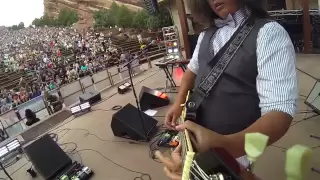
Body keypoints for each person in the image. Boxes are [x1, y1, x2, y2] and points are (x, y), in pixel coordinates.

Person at [157, 0, 298, 179]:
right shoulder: (205, 35)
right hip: (196, 138)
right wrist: (178, 104)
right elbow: (191, 72)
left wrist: (225, 145)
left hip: (236, 151)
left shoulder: (269, 32)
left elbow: (280, 114)